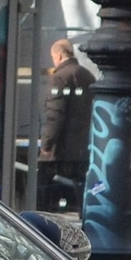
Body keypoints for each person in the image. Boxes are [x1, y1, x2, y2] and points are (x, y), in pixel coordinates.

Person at [38, 37, 93, 210]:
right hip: (83, 147)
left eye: (53, 57)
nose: (53, 61)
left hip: (60, 150)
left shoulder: (59, 78)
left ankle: (38, 230)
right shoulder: (88, 76)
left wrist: (46, 144)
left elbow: (54, 114)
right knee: (82, 192)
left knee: (42, 191)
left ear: (60, 55)